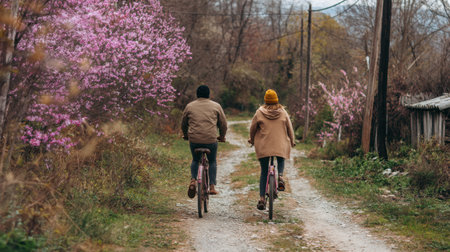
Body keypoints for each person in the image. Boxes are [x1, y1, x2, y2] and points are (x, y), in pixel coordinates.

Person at [248, 89, 295, 210]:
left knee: (264, 171)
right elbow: (289, 128)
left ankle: (262, 198)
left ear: (265, 100)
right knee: (280, 158)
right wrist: (292, 140)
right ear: (276, 100)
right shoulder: (283, 112)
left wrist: (251, 139)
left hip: (264, 146)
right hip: (280, 145)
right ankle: (280, 176)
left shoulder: (259, 112)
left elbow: (253, 128)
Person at [181, 85, 227, 198]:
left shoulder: (189, 106)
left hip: (194, 139)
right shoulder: (216, 106)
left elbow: (183, 123)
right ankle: (211, 186)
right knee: (212, 161)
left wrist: (186, 135)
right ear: (209, 95)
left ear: (197, 95)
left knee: (195, 159)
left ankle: (193, 180)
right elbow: (223, 124)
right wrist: (222, 136)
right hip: (211, 140)